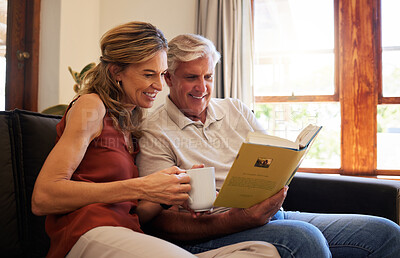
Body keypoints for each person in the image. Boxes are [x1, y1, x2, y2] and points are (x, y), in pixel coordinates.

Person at [136, 33, 400, 257]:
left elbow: (274, 156)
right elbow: (158, 223)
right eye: (191, 77)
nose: (202, 87)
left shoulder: (234, 110)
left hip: (273, 216)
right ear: (168, 78)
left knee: (386, 233)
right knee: (305, 239)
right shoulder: (154, 131)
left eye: (208, 76)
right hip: (215, 229)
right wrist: (233, 219)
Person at [31, 22, 281, 258]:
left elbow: (137, 210)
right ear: (116, 71)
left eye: (161, 74)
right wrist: (142, 186)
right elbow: (43, 197)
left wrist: (171, 191)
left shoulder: (131, 120)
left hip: (128, 231)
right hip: (88, 231)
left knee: (266, 252)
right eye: (148, 74)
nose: (159, 86)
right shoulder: (92, 106)